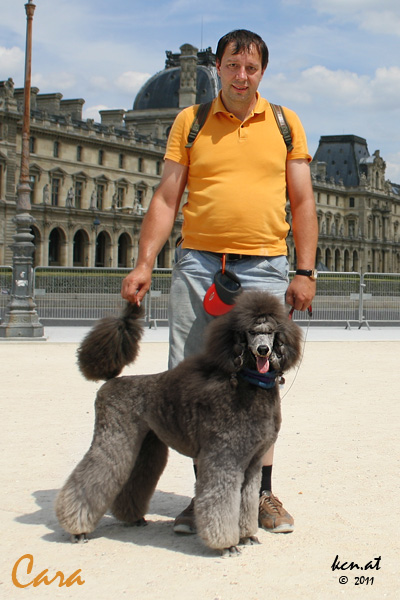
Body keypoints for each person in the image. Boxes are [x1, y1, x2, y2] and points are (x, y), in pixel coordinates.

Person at [121, 29, 318, 535]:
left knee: (263, 379)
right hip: (200, 265)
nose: (241, 76)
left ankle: (262, 494)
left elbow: (302, 201)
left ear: (262, 72)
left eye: (251, 68)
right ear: (218, 67)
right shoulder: (191, 121)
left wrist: (305, 270)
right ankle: (206, 493)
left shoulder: (285, 123)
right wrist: (144, 262)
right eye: (233, 65)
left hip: (265, 264)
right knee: (192, 378)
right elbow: (167, 198)